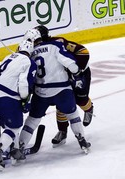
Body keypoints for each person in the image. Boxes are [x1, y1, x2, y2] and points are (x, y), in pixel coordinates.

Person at [19, 29, 91, 159]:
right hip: (61, 89)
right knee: (72, 115)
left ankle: (20, 146)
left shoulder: (28, 54)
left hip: (41, 93)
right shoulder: (54, 45)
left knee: (32, 120)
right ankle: (82, 140)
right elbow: (70, 63)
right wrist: (77, 74)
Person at [32, 25, 94, 147]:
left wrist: (77, 72)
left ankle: (89, 109)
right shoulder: (35, 48)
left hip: (79, 73)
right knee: (62, 104)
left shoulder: (58, 42)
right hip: (62, 79)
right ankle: (62, 131)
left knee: (81, 99)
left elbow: (83, 52)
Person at [0, 40, 37, 171]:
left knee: (11, 123)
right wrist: (25, 100)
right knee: (15, 126)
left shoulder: (8, 56)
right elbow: (24, 84)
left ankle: (14, 151)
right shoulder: (29, 62)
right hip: (6, 95)